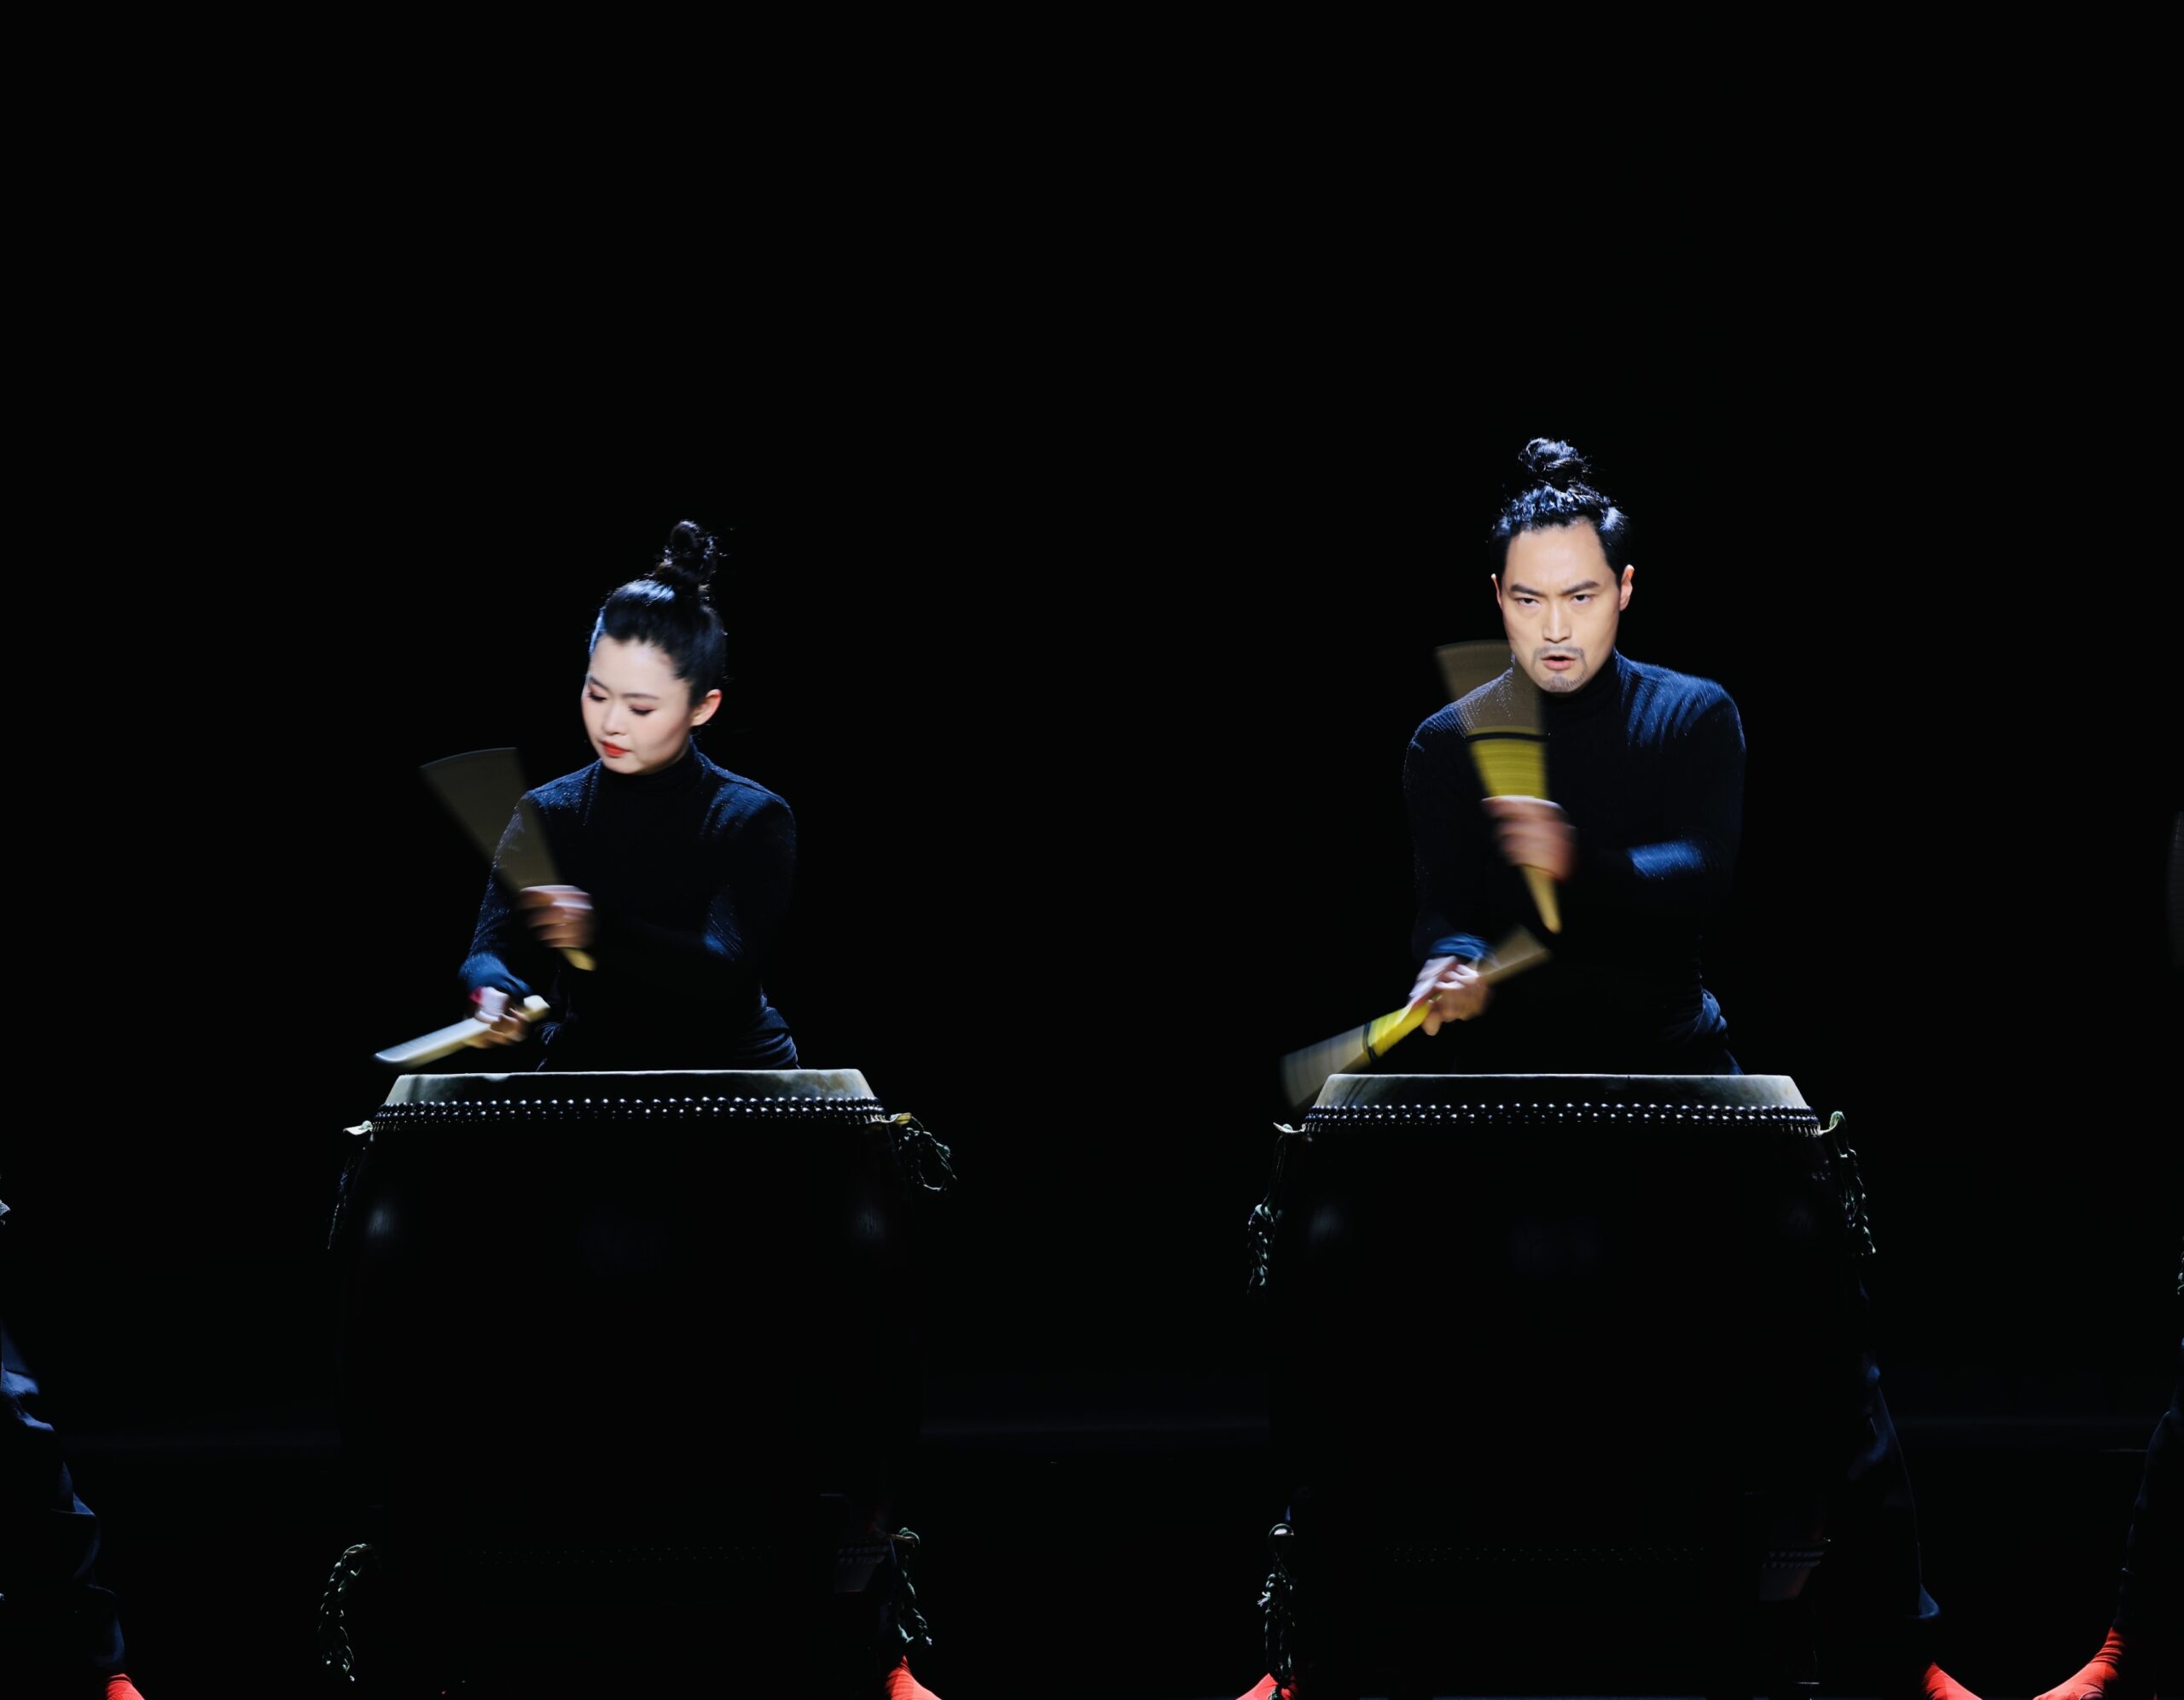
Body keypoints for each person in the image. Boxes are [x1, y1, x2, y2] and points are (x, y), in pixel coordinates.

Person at [1239, 440, 1972, 1700]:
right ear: (1496, 597)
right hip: (1496, 1082)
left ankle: (1898, 1653)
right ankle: (1314, 1648)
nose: (1555, 627)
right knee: (1332, 1252)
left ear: (1625, 589)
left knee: (1814, 1276)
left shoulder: (1693, 713)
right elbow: (1443, 910)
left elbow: (1703, 876)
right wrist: (1446, 966)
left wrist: (1581, 860)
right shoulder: (1448, 741)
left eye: (1580, 595)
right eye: (1528, 599)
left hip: (1667, 1062)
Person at [460, 519, 799, 1071]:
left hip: (732, 1068)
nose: (611, 723)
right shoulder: (549, 811)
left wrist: (599, 929)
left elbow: (725, 970)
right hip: (590, 1058)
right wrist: (493, 993)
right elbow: (489, 952)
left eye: (641, 707)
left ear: (703, 707)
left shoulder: (752, 815)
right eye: (597, 695)